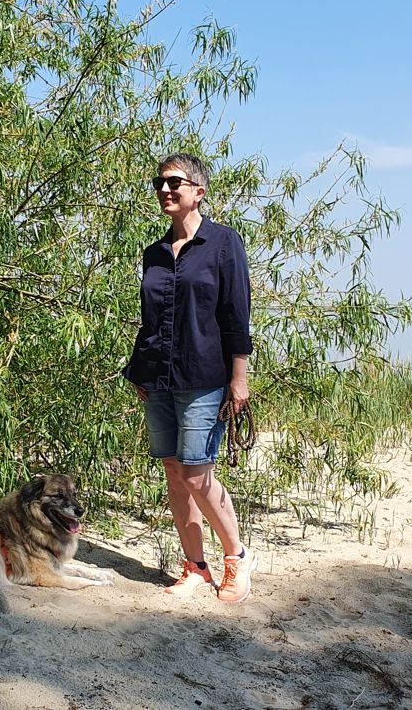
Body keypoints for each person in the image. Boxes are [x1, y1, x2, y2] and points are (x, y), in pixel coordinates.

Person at [123, 152, 256, 603]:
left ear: (199, 192)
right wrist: (140, 370)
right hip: (157, 377)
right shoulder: (154, 253)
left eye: (175, 182)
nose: (165, 189)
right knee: (175, 474)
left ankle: (236, 557)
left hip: (205, 377)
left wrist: (239, 380)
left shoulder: (223, 244)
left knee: (198, 474)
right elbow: (150, 319)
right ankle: (195, 566)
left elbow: (237, 314)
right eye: (159, 182)